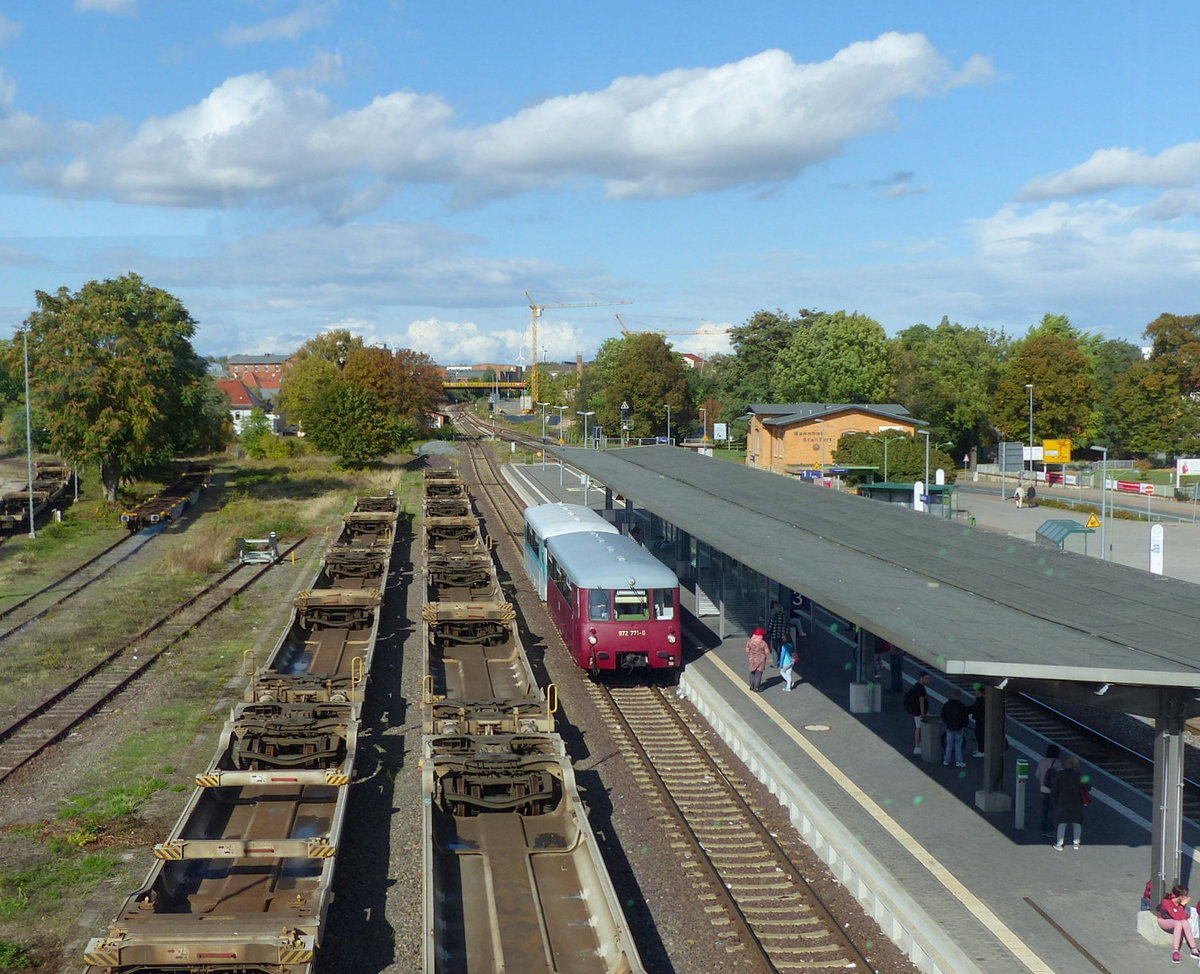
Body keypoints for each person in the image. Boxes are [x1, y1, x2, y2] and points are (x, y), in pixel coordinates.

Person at [1158, 885, 1200, 963]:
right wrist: (1181, 905)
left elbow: (1182, 917)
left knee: (1184, 922)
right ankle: (1175, 950)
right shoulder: (1167, 902)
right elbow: (1177, 917)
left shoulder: (1181, 901)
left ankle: (1194, 949)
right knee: (1178, 923)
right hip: (1164, 921)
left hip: (1176, 919)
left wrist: (1182, 907)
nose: (1187, 897)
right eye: (1185, 895)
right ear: (1180, 896)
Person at [1050, 756, 1085, 850]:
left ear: (1067, 764)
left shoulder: (1060, 774)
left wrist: (1054, 800)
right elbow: (1088, 786)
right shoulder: (1080, 775)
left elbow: (1055, 789)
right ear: (1077, 765)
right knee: (1077, 823)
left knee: (1062, 823)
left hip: (1063, 801)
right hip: (1077, 802)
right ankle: (1076, 843)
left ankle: (1060, 844)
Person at [1036, 745, 1063, 837]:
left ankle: (1043, 829)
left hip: (1043, 789)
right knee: (1052, 810)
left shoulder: (1042, 761)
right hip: (1054, 790)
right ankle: (1050, 830)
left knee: (1044, 810)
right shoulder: (1058, 763)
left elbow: (1037, 775)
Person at [941, 689, 970, 767]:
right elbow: (965, 718)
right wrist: (963, 725)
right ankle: (959, 761)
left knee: (949, 745)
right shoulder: (961, 706)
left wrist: (947, 723)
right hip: (959, 729)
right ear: (959, 696)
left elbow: (943, 715)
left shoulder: (947, 705)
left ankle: (946, 760)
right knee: (958, 746)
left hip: (949, 727)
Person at [903, 672, 930, 755]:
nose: (927, 680)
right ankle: (917, 745)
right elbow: (921, 702)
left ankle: (918, 745)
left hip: (916, 711)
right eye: (926, 678)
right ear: (921, 678)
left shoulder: (916, 685)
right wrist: (923, 714)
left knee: (919, 728)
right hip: (919, 712)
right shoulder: (921, 688)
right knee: (919, 728)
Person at [746, 628, 770, 692]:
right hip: (761, 660)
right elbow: (767, 651)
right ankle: (756, 688)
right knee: (758, 674)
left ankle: (751, 686)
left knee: (752, 672)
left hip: (752, 659)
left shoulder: (750, 642)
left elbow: (747, 650)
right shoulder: (763, 643)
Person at [766, 601, 789, 667]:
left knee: (774, 649)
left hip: (775, 635)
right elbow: (787, 626)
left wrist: (768, 632)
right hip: (783, 636)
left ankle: (775, 664)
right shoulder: (785, 616)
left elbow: (770, 625)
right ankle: (781, 663)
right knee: (781, 649)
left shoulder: (774, 616)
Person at [969, 685, 986, 757]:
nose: (975, 692)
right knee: (978, 734)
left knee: (980, 735)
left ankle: (982, 750)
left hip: (981, 720)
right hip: (979, 719)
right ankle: (980, 749)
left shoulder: (981, 701)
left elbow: (975, 709)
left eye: (976, 691)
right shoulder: (979, 700)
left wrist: (966, 710)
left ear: (979, 692)